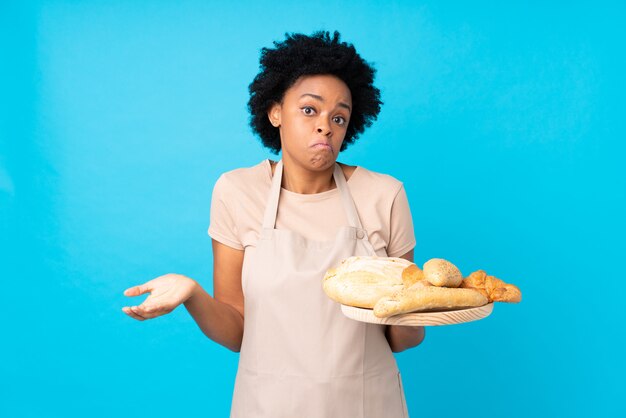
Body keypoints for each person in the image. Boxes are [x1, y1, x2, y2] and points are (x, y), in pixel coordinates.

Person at [122, 30, 425, 418]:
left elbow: (404, 340)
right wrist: (192, 294)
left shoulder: (385, 195)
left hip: (365, 404)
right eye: (309, 110)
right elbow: (236, 332)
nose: (325, 127)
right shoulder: (237, 191)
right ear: (275, 112)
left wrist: (419, 310)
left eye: (339, 117)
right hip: (268, 406)